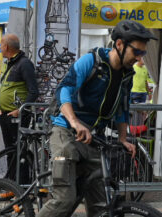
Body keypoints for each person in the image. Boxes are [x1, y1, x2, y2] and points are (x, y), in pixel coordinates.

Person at [37, 20, 155, 217]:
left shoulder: (127, 75)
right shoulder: (92, 61)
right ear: (119, 44)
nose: (139, 57)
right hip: (66, 132)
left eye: (142, 53)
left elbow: (122, 109)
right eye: (137, 52)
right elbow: (64, 89)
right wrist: (74, 122)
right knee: (63, 200)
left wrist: (123, 139)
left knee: (102, 204)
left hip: (92, 138)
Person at [0, 33, 38, 188]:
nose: (0, 48)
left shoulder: (24, 63)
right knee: (10, 152)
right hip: (5, 115)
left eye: (1, 45)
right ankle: (11, 184)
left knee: (19, 152)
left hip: (17, 116)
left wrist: (20, 111)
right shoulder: (10, 63)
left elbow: (34, 91)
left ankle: (20, 187)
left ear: (6, 47)